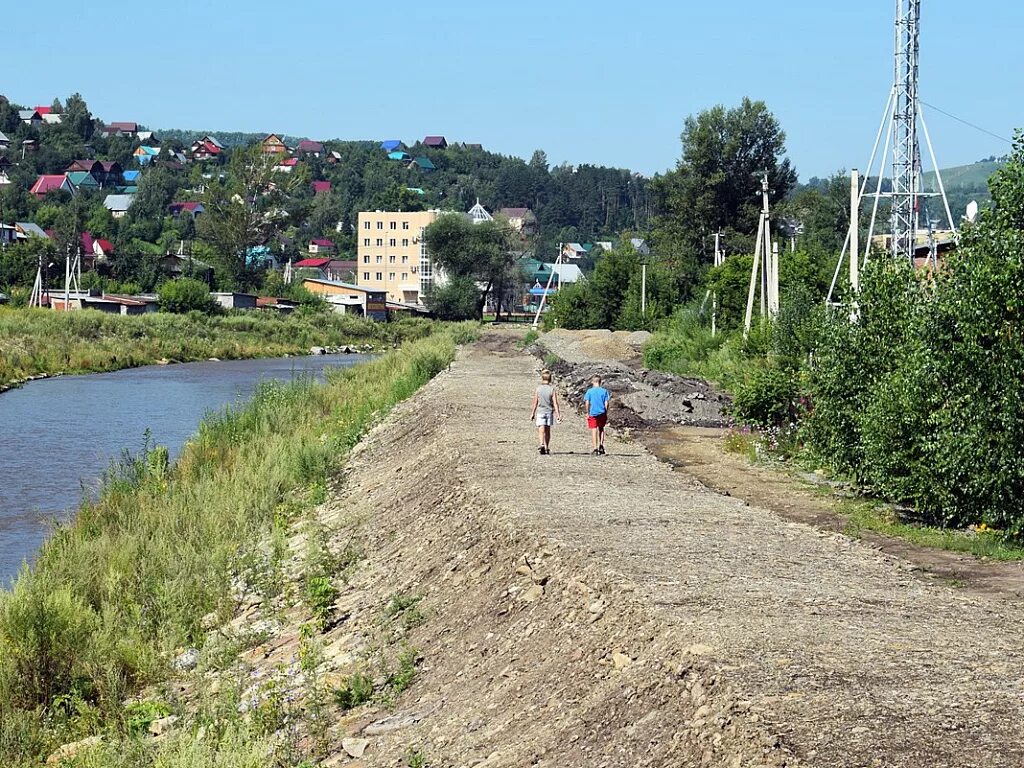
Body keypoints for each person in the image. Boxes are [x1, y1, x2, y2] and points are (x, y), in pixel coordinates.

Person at [530, 370, 561, 455]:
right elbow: (555, 403)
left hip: (540, 411)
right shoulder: (552, 390)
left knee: (541, 429)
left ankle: (541, 443)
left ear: (542, 378)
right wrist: (558, 414)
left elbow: (535, 402)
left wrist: (532, 413)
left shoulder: (538, 389)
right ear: (550, 379)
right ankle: (547, 447)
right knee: (547, 430)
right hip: (549, 412)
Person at [583, 375, 611, 456]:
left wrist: (587, 412)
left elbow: (587, 402)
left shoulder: (589, 391)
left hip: (593, 413)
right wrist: (605, 411)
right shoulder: (604, 391)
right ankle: (601, 445)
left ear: (592, 382)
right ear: (600, 382)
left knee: (594, 429)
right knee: (601, 428)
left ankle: (595, 448)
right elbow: (607, 402)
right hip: (602, 412)